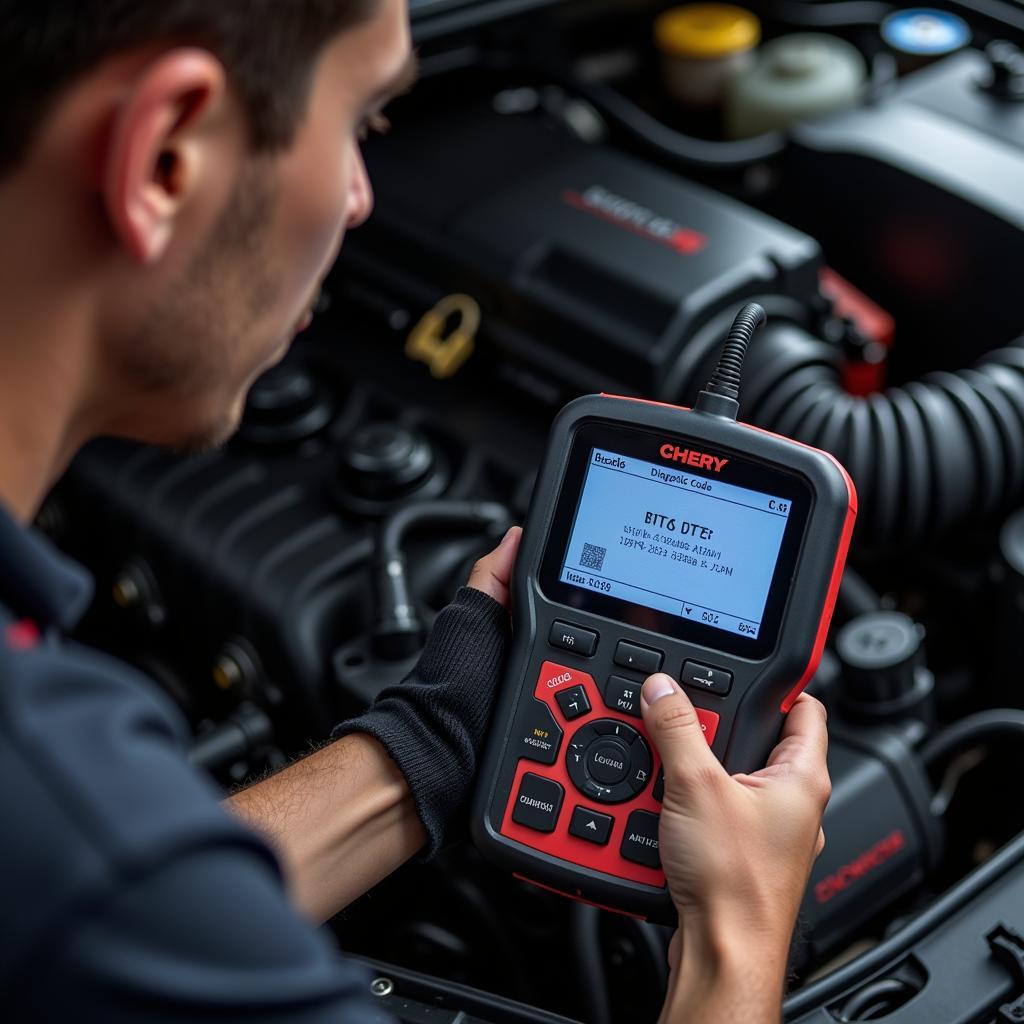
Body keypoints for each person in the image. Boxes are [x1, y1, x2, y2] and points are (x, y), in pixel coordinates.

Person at [0, 1, 831, 1021]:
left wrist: (425, 746)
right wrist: (738, 937)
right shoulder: (53, 797)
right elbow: (115, 893)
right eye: (361, 122)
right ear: (166, 157)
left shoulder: (65, 832)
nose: (358, 198)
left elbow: (116, 905)